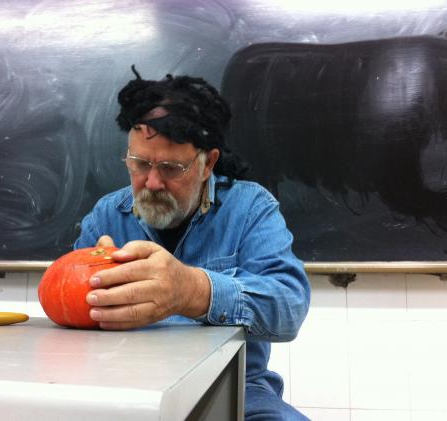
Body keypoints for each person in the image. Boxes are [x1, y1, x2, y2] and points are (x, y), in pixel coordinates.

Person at [74, 66, 311, 420]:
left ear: (207, 163)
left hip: (234, 388)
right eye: (139, 163)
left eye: (170, 168)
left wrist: (192, 291)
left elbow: (288, 308)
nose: (151, 183)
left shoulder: (250, 209)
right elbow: (67, 315)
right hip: (125, 388)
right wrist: (84, 290)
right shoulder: (106, 217)